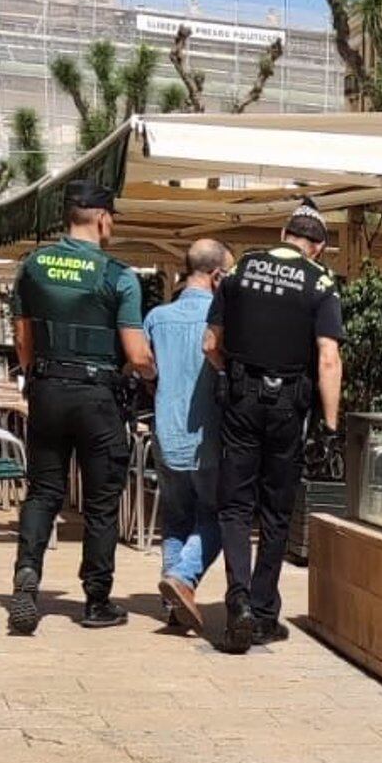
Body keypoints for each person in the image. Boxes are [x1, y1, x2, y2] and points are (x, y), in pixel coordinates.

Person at [6, 181, 156, 635]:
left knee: (44, 491)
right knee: (101, 503)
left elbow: (22, 339)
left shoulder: (32, 266)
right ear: (103, 218)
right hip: (98, 398)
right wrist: (149, 375)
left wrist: (38, 377)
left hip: (48, 389)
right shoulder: (118, 276)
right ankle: (96, 601)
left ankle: (27, 577)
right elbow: (137, 353)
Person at [205, 200, 343, 653]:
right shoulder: (321, 283)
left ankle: (237, 600)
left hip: (241, 400)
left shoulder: (240, 270)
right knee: (276, 512)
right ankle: (264, 612)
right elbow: (328, 357)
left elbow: (210, 344)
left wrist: (233, 374)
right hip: (290, 405)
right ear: (317, 248)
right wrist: (330, 422)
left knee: (235, 508)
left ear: (284, 235)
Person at [144, 238, 230, 632]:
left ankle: (172, 599)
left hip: (165, 430)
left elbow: (144, 366)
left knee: (176, 517)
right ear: (216, 276)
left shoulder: (157, 318)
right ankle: (183, 579)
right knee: (215, 517)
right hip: (208, 436)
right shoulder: (220, 320)